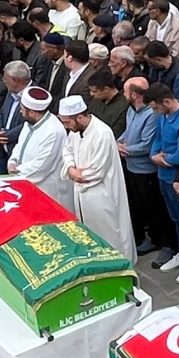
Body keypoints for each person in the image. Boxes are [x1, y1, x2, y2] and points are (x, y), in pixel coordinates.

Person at [52, 96, 134, 263]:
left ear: (80, 117)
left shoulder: (102, 133)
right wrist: (71, 169)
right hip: (81, 194)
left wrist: (78, 175)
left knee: (110, 234)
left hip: (101, 195)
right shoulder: (75, 132)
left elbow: (98, 170)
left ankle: (118, 267)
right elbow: (67, 151)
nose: (65, 126)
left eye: (67, 122)